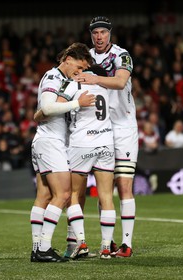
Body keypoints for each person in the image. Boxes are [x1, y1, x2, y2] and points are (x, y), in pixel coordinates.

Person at [39, 65, 116, 259]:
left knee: (72, 194)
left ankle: (81, 243)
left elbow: (51, 108)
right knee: (106, 196)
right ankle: (106, 247)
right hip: (106, 142)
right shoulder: (105, 86)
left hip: (82, 144)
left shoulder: (73, 84)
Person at [76, 16, 138, 257]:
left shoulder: (122, 55)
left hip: (123, 128)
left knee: (123, 185)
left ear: (110, 34)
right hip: (100, 128)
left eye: (102, 32)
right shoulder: (87, 58)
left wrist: (94, 78)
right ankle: (108, 243)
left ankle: (127, 243)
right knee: (104, 187)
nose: (98, 36)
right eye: (95, 33)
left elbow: (121, 82)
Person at [30, 42, 94, 262]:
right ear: (68, 59)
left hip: (45, 140)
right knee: (64, 194)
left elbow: (42, 112)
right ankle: (44, 249)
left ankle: (37, 248)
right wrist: (78, 103)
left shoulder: (62, 80)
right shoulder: (52, 77)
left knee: (44, 196)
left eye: (84, 69)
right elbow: (47, 109)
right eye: (80, 66)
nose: (81, 71)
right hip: (51, 142)